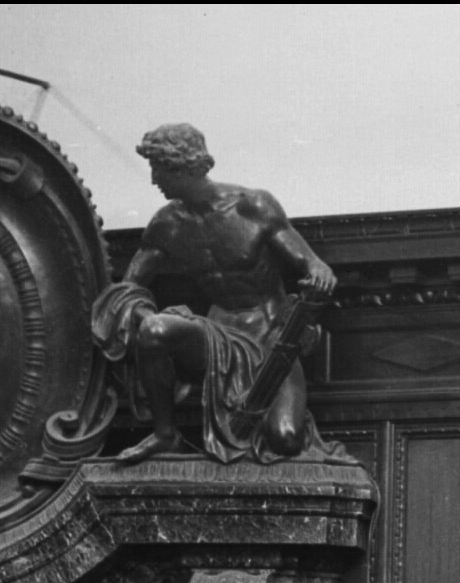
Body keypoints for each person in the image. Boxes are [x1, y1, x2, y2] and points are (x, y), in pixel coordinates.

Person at [96, 121, 337, 464]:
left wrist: (320, 275)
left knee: (284, 439)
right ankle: (165, 435)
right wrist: (140, 312)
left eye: (158, 169)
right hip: (217, 340)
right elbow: (128, 287)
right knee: (155, 330)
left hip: (272, 341)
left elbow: (312, 264)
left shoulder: (252, 207)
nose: (154, 180)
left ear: (181, 167)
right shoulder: (168, 225)